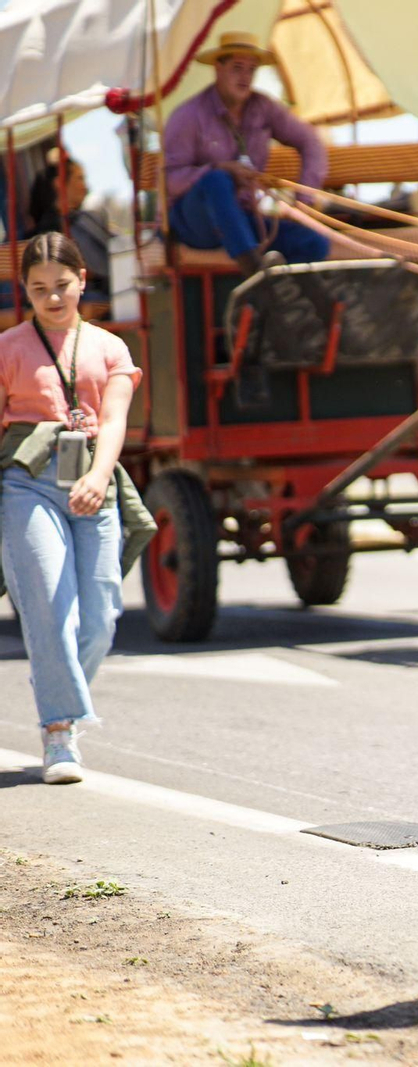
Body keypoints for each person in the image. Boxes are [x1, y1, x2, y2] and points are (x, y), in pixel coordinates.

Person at [0, 233, 143, 784]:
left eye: (62, 286)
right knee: (50, 609)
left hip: (92, 480)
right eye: (39, 290)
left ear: (83, 280)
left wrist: (99, 475)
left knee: (100, 618)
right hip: (28, 484)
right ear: (26, 291)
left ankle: (55, 683)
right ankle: (59, 732)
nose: (53, 298)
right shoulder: (10, 348)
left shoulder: (110, 348)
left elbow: (113, 422)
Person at [163, 31, 330, 272]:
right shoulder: (188, 116)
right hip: (194, 225)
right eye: (237, 68)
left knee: (314, 243)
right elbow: (171, 181)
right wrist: (221, 170)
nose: (245, 77)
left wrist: (303, 203)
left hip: (242, 219)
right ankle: (255, 273)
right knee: (217, 181)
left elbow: (310, 141)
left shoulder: (263, 107)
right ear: (218, 68)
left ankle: (285, 302)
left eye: (251, 70)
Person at [27, 154, 112, 304]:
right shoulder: (50, 230)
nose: (86, 187)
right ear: (59, 183)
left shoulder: (86, 218)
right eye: (80, 178)